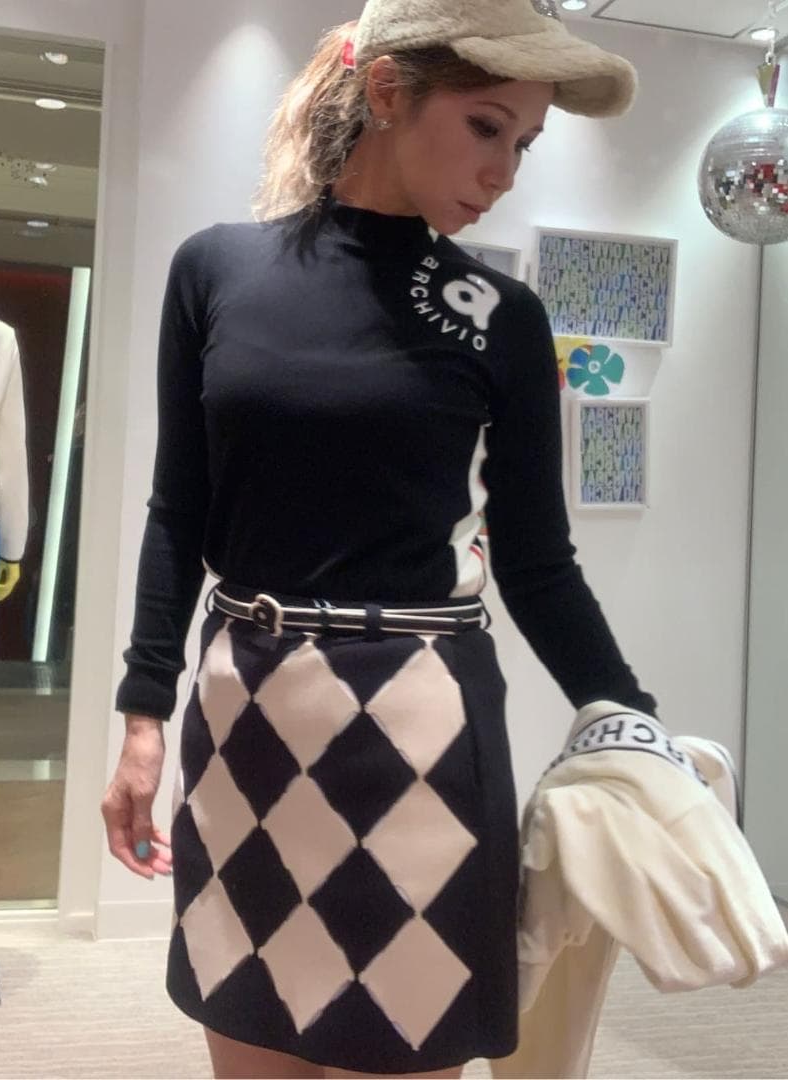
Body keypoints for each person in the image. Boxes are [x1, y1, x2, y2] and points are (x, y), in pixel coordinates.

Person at [102, 1, 655, 1077]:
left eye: (525, 143)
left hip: (419, 729)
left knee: (401, 1050)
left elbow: (536, 561)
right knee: (251, 1044)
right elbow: (178, 511)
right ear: (390, 92)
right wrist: (141, 715)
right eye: (486, 126)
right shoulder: (215, 270)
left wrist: (626, 718)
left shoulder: (499, 315)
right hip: (244, 710)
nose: (504, 172)